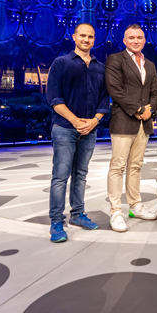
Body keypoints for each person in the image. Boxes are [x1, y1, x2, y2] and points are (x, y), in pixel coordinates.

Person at [46, 23, 109, 243]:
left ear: (94, 39)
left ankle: (77, 215)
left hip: (89, 130)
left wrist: (94, 121)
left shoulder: (100, 67)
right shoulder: (61, 63)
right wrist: (75, 121)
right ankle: (56, 222)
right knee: (60, 176)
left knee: (81, 174)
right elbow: (54, 98)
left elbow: (104, 100)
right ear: (74, 37)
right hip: (64, 128)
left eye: (90, 36)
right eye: (82, 35)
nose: (86, 39)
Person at [105, 24, 157, 232]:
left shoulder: (150, 65)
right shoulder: (115, 60)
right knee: (118, 167)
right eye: (131, 37)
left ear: (144, 40)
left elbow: (156, 92)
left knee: (136, 166)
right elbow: (115, 90)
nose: (136, 41)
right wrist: (138, 109)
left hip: (143, 123)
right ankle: (115, 211)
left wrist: (149, 111)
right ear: (124, 40)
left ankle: (135, 205)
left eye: (139, 37)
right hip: (123, 120)